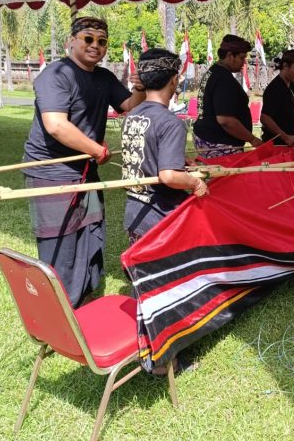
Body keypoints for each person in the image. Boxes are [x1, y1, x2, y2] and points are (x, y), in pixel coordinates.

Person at [21, 16, 147, 308]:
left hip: (85, 170)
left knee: (90, 231)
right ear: (71, 41)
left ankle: (86, 294)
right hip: (51, 171)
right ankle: (60, 306)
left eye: (101, 41)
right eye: (88, 39)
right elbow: (56, 125)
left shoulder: (104, 77)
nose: (95, 46)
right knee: (60, 241)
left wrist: (140, 88)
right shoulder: (55, 74)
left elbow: (129, 106)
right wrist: (97, 150)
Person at [122, 48, 208, 245]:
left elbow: (146, 151)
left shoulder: (132, 115)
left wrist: (178, 159)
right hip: (162, 218)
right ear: (174, 80)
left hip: (136, 212)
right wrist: (196, 183)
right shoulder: (171, 123)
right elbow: (169, 176)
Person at [192, 34, 262, 158]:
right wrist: (252, 139)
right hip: (219, 142)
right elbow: (225, 120)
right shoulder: (223, 79)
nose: (244, 62)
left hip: (208, 137)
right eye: (242, 58)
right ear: (230, 55)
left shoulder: (213, 71)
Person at [260, 49, 294, 146]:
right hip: (276, 144)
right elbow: (265, 118)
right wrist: (285, 137)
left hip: (290, 142)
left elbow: (290, 115)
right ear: (285, 66)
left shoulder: (292, 86)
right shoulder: (274, 89)